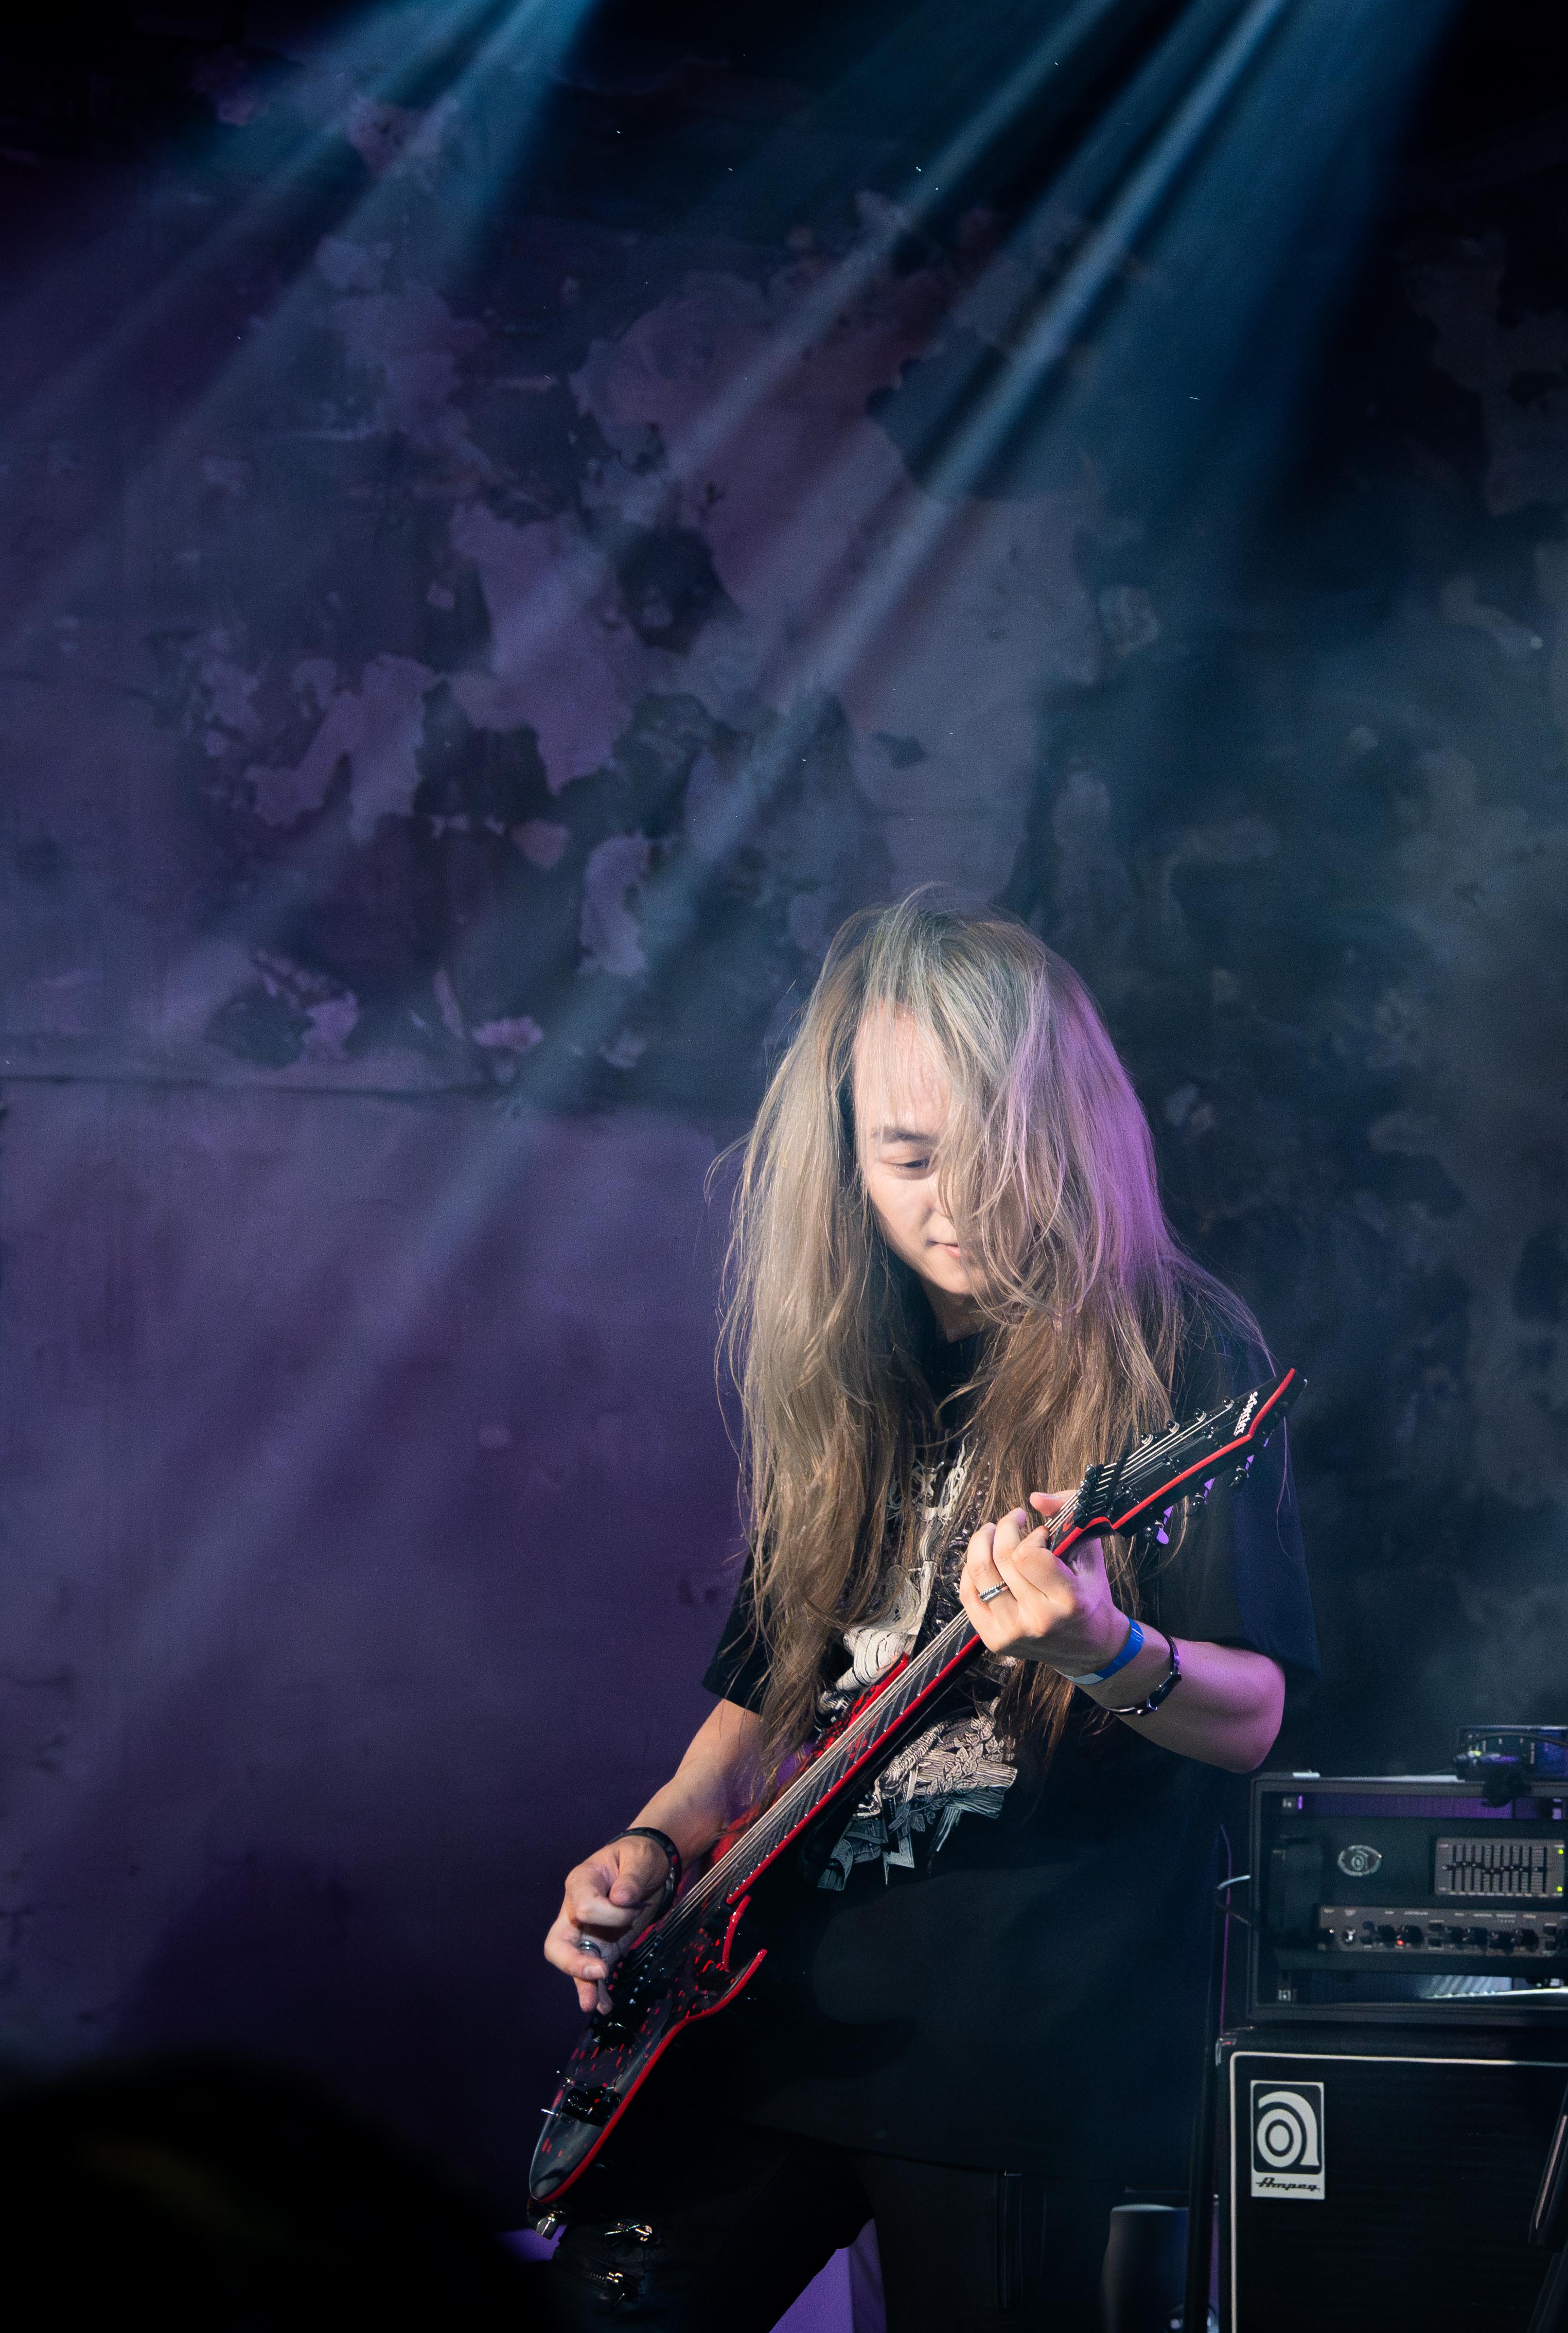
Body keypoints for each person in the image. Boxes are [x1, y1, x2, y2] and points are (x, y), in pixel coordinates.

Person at [539, 897, 1313, 2331]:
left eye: (995, 1153)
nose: (954, 1203)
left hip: (1027, 2061)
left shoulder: (1175, 1348)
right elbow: (769, 1692)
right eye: (907, 1159)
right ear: (846, 1157)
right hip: (767, 2023)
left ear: (1067, 1139)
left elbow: (1256, 1716)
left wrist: (1103, 1649)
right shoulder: (851, 1368)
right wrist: (652, 1843)